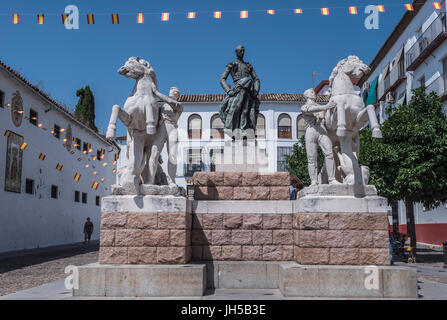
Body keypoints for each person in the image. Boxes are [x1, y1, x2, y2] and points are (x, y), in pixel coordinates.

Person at [219, 45, 261, 138]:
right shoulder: (231, 65)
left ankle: (244, 130)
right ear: (236, 52)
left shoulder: (248, 66)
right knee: (236, 108)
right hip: (237, 90)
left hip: (248, 91)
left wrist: (256, 92)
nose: (242, 52)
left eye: (243, 51)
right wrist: (228, 91)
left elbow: (256, 79)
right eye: (240, 51)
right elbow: (222, 79)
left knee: (246, 111)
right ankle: (233, 129)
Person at [301, 88, 340, 186]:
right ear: (306, 96)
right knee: (311, 158)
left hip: (321, 129)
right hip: (311, 130)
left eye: (313, 92)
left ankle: (332, 179)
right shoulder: (304, 106)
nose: (314, 93)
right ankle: (314, 180)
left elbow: (326, 117)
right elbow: (310, 110)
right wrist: (325, 107)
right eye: (311, 92)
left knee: (329, 153)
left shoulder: (321, 106)